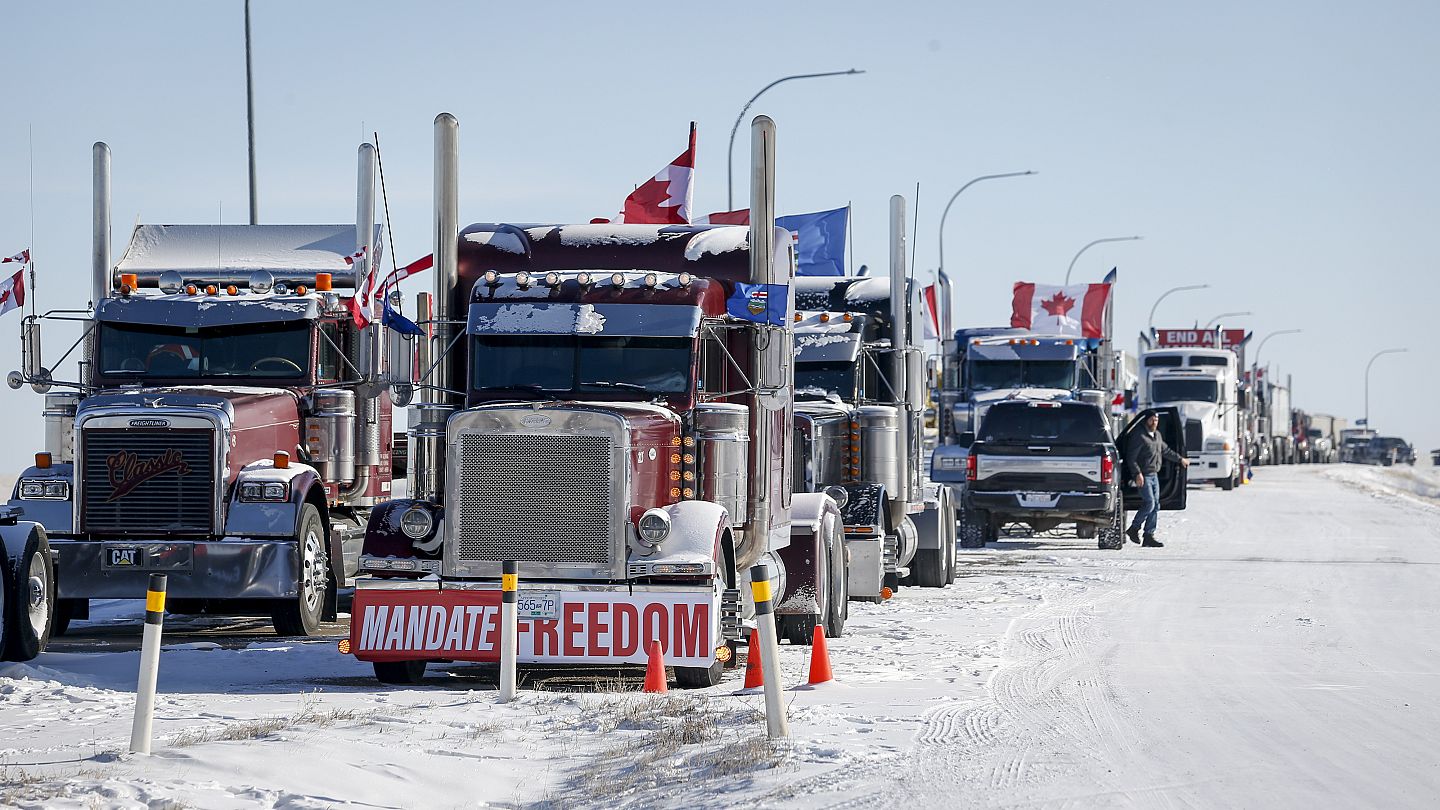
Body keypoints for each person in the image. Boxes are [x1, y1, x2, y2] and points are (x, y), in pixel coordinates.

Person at [1125, 410, 1189, 547]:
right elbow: (1131, 457)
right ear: (1146, 420)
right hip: (1144, 475)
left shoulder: (1157, 435)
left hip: (1154, 475)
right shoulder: (1139, 435)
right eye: (1152, 420)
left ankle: (1149, 535)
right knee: (1149, 503)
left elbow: (1166, 451)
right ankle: (1134, 528)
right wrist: (1137, 474)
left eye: (1156, 420)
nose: (1154, 423)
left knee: (1155, 506)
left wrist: (1180, 459)